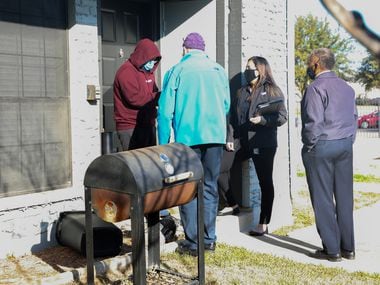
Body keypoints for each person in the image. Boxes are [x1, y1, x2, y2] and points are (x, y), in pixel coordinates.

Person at [157, 32, 230, 256]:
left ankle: (193, 241)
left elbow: (164, 112)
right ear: (203, 49)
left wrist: (163, 144)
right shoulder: (218, 70)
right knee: (209, 186)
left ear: (185, 49)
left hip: (187, 140)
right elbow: (226, 105)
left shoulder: (177, 70)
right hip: (214, 138)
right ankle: (209, 239)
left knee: (187, 188)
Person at [301, 48, 357, 262]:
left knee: (323, 197)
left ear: (317, 63)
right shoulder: (347, 87)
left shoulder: (315, 88)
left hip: (322, 146)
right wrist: (348, 140)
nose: (308, 65)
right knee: (344, 197)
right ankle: (348, 248)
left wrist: (309, 145)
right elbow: (353, 117)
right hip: (344, 144)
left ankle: (332, 250)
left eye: (309, 62)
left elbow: (313, 123)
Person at [232, 56, 287, 236]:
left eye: (251, 68)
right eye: (246, 67)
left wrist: (262, 120)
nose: (247, 71)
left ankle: (263, 223)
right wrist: (231, 138)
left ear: (261, 69)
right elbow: (234, 117)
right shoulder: (241, 92)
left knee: (265, 182)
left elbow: (282, 117)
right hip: (243, 141)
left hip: (263, 143)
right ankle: (233, 203)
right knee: (222, 168)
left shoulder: (272, 90)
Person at [113, 38, 161, 151]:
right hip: (130, 126)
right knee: (134, 164)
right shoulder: (126, 72)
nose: (152, 64)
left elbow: (153, 91)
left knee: (150, 163)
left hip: (148, 124)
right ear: (142, 57)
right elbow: (135, 99)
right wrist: (159, 97)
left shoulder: (149, 73)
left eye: (154, 61)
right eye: (150, 60)